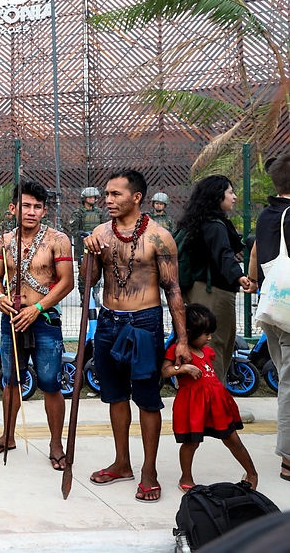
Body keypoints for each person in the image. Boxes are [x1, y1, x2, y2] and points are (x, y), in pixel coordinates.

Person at [82, 169, 188, 504]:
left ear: (136, 197)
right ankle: (122, 462)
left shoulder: (159, 237)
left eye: (115, 194)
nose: (108, 200)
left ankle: (149, 471)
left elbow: (173, 290)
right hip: (109, 322)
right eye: (106, 194)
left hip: (144, 323)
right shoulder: (100, 232)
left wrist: (181, 339)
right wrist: (89, 253)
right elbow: (90, 280)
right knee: (113, 395)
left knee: (146, 397)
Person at [0, 180, 74, 469]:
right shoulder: (4, 241)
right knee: (10, 380)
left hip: (45, 320)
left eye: (37, 207)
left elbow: (67, 282)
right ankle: (7, 436)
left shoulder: (58, 240)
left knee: (49, 383)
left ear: (44, 211)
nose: (31, 211)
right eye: (25, 206)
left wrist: (37, 308)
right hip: (12, 319)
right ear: (13, 208)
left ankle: (56, 443)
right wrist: (0, 298)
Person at [162, 304, 257, 491]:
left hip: (216, 403)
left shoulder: (207, 351)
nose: (210, 338)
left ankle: (252, 473)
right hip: (192, 405)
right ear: (189, 332)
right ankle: (186, 476)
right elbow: (165, 371)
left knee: (232, 439)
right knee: (191, 442)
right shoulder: (178, 351)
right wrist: (183, 368)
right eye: (206, 334)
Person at [177, 175, 255, 380]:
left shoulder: (197, 222)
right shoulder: (215, 225)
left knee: (208, 342)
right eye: (230, 192)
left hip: (197, 289)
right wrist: (239, 276)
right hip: (213, 293)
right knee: (216, 343)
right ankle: (213, 396)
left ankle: (208, 395)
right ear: (217, 196)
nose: (235, 197)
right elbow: (223, 254)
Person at [249, 152, 290, 482]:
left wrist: (252, 281)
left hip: (273, 310)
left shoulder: (267, 215)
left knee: (286, 380)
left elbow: (255, 254)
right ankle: (289, 458)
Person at [68, 187, 107, 299]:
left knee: (98, 270)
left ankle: (95, 294)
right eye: (90, 197)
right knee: (83, 272)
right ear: (84, 199)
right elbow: (74, 231)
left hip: (97, 245)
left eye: (94, 197)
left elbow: (104, 228)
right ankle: (84, 296)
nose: (92, 199)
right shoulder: (78, 213)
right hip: (82, 246)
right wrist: (84, 234)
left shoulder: (99, 212)